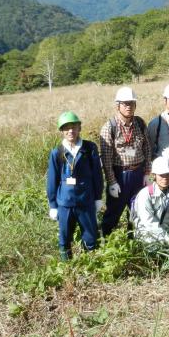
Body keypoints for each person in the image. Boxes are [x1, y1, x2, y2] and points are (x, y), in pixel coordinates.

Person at [46, 111, 104, 260]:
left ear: (79, 128)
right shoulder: (57, 152)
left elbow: (97, 174)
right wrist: (53, 205)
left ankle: (91, 266)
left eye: (74, 127)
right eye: (66, 128)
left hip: (86, 200)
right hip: (65, 203)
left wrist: (98, 197)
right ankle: (68, 269)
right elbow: (52, 180)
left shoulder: (89, 148)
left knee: (91, 237)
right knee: (65, 239)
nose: (70, 131)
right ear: (62, 131)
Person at [98, 86, 152, 236]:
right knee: (113, 212)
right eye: (125, 104)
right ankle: (105, 240)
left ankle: (134, 240)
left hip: (138, 174)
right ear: (118, 105)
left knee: (137, 210)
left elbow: (147, 148)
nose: (128, 107)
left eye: (131, 103)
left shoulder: (140, 123)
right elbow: (107, 159)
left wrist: (147, 173)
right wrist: (112, 182)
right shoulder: (109, 127)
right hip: (120, 175)